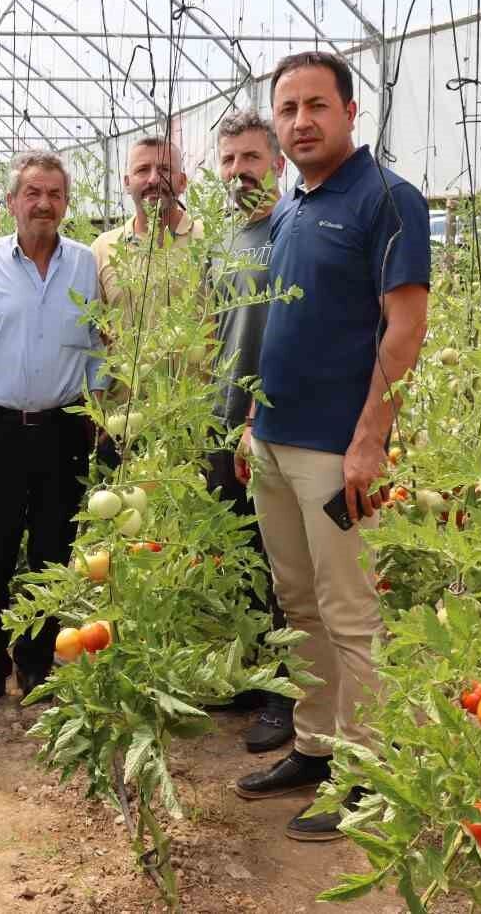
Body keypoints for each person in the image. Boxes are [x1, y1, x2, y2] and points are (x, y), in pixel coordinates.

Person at [231, 52, 430, 843]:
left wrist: (369, 440)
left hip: (333, 450)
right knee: (299, 602)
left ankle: (369, 771)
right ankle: (315, 745)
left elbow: (404, 327)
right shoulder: (289, 208)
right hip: (275, 442)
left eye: (317, 104)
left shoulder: (387, 200)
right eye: (288, 109)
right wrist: (252, 417)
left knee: (350, 614)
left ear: (351, 111)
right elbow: (279, 325)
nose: (302, 120)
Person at [0, 151, 104, 718]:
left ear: (66, 203)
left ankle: (35, 657)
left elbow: (96, 344)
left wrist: (99, 407)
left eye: (54, 194)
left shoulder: (83, 264)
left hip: (63, 428)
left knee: (52, 550)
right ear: (11, 202)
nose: (43, 204)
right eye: (32, 193)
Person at [207, 109, 293, 753]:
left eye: (251, 158)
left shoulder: (294, 230)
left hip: (277, 424)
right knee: (239, 558)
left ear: (278, 162)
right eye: (230, 160)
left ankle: (283, 695)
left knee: (282, 564)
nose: (240, 171)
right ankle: (250, 672)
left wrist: (260, 415)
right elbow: (218, 334)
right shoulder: (224, 242)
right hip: (222, 420)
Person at [91, 136, 193, 316]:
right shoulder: (102, 249)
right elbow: (95, 332)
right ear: (127, 183)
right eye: (142, 170)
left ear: (182, 181)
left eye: (165, 169)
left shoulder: (209, 240)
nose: (154, 179)